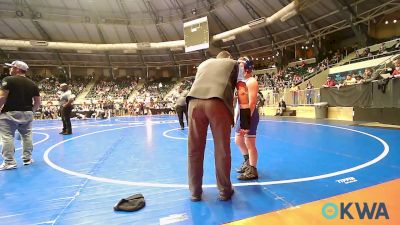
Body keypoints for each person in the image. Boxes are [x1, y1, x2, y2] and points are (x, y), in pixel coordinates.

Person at [186, 51, 251, 201]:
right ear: (229, 58)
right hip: (217, 103)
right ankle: (224, 191)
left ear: (217, 58)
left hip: (193, 103)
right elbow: (242, 91)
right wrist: (245, 121)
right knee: (222, 149)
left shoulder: (204, 64)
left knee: (194, 150)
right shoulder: (236, 64)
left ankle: (195, 193)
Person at [0, 60, 41, 170]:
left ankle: (9, 162)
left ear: (17, 69)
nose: (10, 69)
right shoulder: (32, 83)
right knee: (27, 136)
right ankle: (27, 159)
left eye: (12, 67)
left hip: (10, 113)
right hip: (27, 113)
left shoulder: (8, 80)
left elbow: (2, 98)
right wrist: (31, 112)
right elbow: (37, 102)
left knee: (7, 136)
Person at [234, 57, 260, 180]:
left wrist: (245, 120)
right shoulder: (242, 82)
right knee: (238, 140)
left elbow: (252, 103)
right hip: (242, 114)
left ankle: (253, 170)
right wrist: (235, 117)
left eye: (240, 66)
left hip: (250, 115)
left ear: (246, 68)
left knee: (249, 143)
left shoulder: (251, 81)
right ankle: (247, 162)